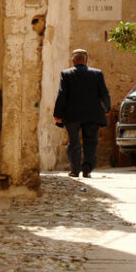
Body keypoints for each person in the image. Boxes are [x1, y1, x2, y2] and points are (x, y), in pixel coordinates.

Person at [53, 49, 111, 178]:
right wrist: (107, 108)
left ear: (73, 61)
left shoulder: (66, 74)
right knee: (90, 142)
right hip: (92, 114)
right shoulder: (97, 74)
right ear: (86, 60)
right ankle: (87, 169)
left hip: (72, 115)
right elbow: (104, 93)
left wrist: (58, 114)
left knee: (74, 142)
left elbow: (62, 95)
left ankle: (75, 170)